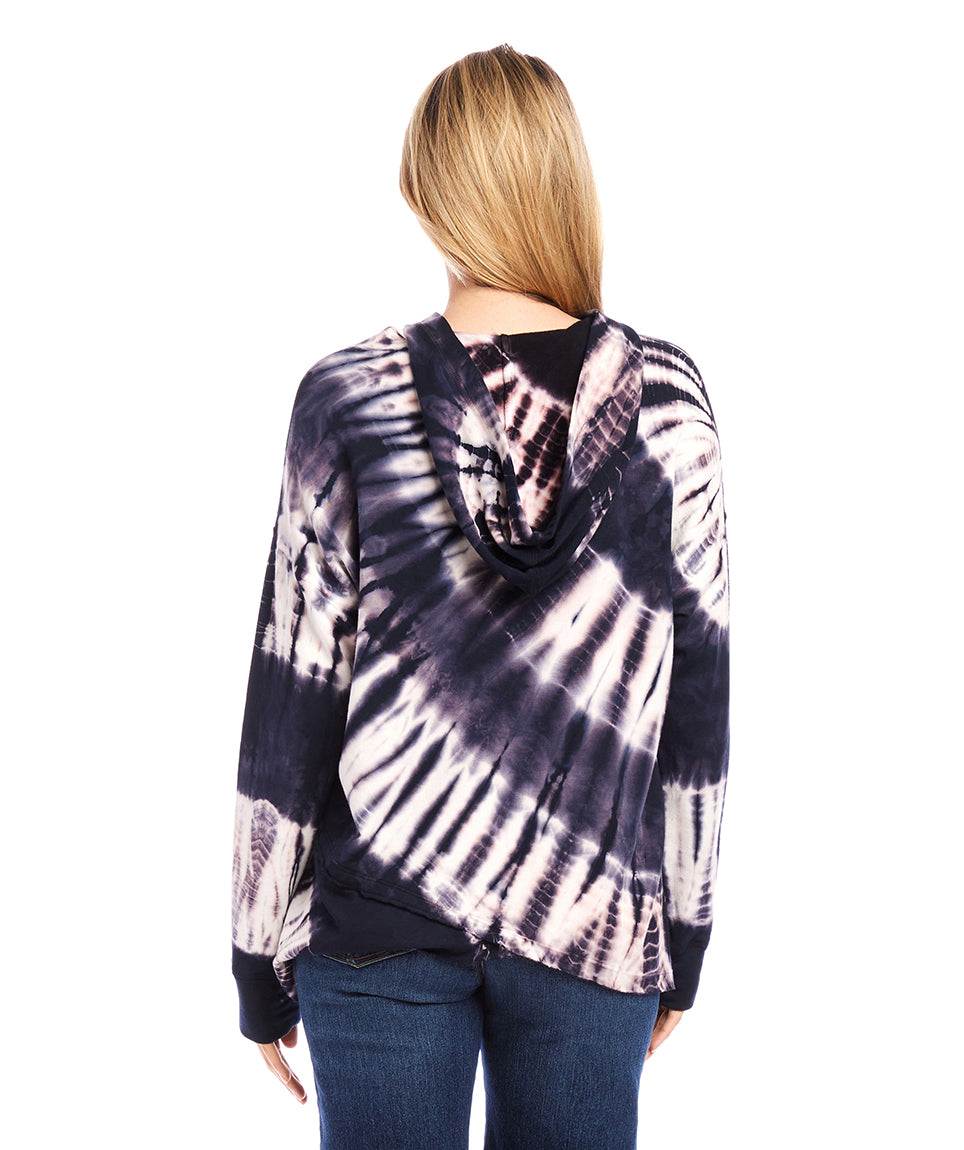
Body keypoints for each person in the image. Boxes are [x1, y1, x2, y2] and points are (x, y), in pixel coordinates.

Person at [230, 42, 731, 1150]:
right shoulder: (669, 405)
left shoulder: (348, 399)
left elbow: (293, 692)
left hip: (379, 918)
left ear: (428, 189)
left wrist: (257, 954)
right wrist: (684, 936)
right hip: (595, 920)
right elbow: (694, 702)